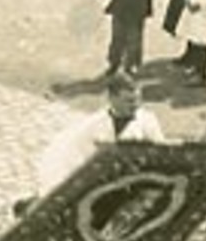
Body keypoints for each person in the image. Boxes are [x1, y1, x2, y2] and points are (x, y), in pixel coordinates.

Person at [35, 72, 166, 197]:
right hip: (100, 187)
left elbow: (160, 153)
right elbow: (79, 160)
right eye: (129, 100)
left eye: (138, 100)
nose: (135, 105)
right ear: (112, 98)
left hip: (135, 183)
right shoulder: (93, 126)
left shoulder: (148, 121)